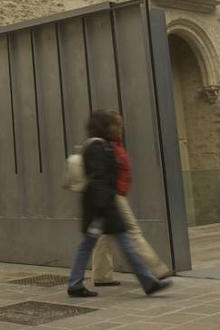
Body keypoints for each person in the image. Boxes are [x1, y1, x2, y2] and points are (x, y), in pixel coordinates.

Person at [67, 110, 170, 298]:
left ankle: (76, 283)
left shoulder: (100, 145)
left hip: (102, 206)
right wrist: (101, 209)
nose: (116, 127)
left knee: (97, 244)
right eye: (111, 124)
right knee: (123, 243)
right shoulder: (98, 147)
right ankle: (148, 281)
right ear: (104, 126)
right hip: (102, 208)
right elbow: (99, 180)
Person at [91, 114, 171, 288]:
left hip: (114, 194)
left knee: (103, 237)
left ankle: (101, 275)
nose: (120, 128)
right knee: (132, 231)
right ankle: (157, 269)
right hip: (114, 195)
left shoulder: (114, 144)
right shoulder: (106, 146)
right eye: (117, 125)